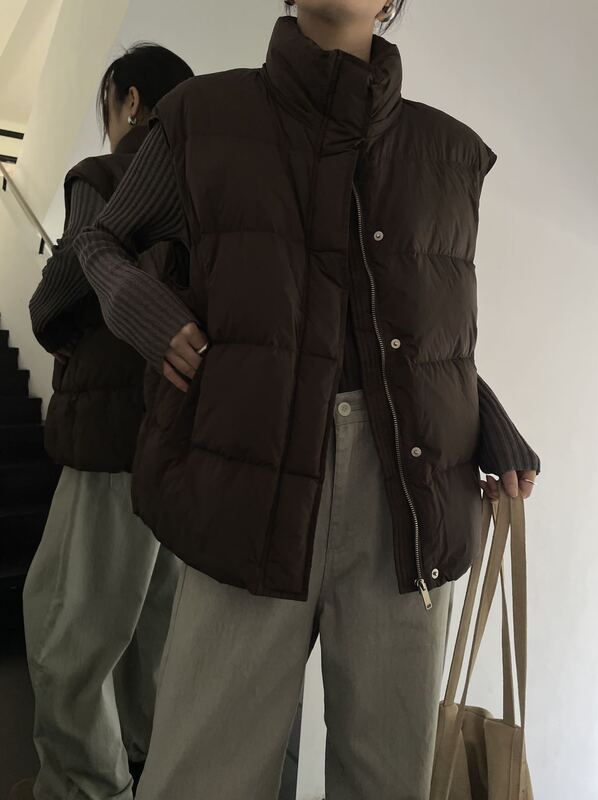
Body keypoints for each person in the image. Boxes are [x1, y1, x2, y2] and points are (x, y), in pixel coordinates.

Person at [75, 3, 541, 798]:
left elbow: (415, 335)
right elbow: (100, 239)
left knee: (387, 780)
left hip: (407, 495)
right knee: (201, 777)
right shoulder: (202, 118)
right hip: (246, 474)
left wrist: (490, 425)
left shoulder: (449, 154)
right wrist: (144, 311)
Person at [10, 44, 193, 800]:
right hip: (182, 437)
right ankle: (143, 772)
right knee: (153, 633)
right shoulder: (207, 188)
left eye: (108, 103)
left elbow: (62, 286)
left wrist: (51, 323)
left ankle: (84, 787)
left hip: (112, 431)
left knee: (66, 627)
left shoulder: (104, 176)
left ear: (130, 100)